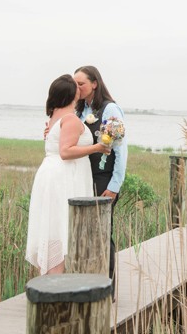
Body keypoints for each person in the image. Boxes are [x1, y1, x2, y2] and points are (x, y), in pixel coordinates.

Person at [25, 74, 108, 275]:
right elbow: (66, 152)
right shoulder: (70, 118)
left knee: (54, 226)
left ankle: (50, 279)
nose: (80, 88)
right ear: (72, 93)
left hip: (52, 174)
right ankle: (56, 283)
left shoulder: (54, 117)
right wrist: (98, 146)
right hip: (63, 177)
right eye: (76, 86)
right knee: (61, 226)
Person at [73, 65, 127, 286]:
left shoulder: (110, 109)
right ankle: (89, 283)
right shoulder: (79, 111)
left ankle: (108, 286)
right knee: (85, 233)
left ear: (94, 83)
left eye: (81, 84)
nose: (77, 88)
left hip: (104, 178)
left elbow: (120, 150)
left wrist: (115, 185)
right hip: (83, 177)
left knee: (103, 232)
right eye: (74, 84)